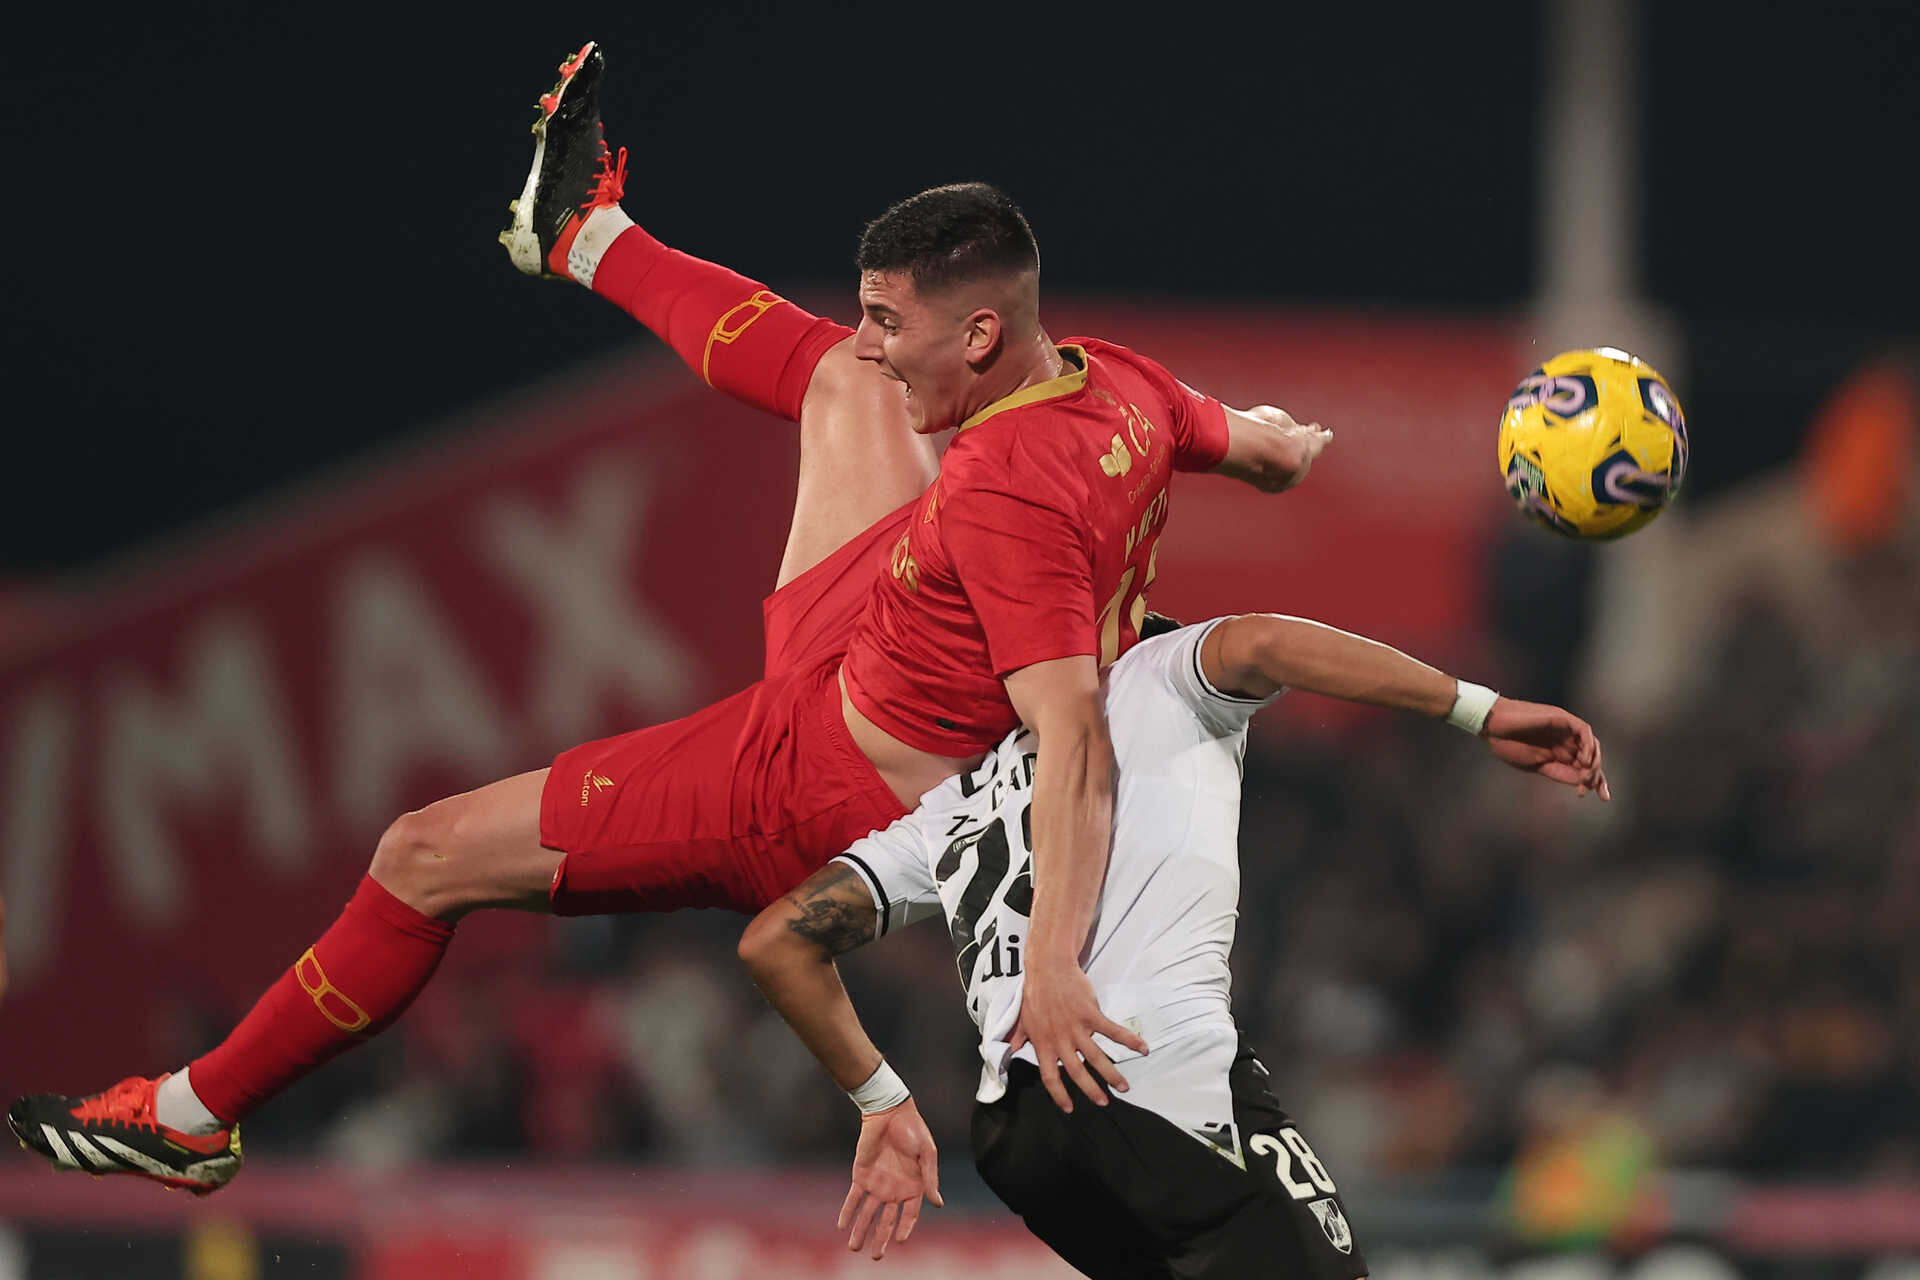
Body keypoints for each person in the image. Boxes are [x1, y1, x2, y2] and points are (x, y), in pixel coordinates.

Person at [7, 42, 1327, 1192]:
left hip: (815, 788)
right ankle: (578, 230)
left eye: (894, 323)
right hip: (880, 631)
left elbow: (1073, 740)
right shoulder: (1124, 388)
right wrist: (1282, 440)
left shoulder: (1005, 497)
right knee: (836, 389)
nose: (873, 338)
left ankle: (194, 1117)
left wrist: (1052, 967)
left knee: (421, 857)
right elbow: (1253, 448)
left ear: (982, 335)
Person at [738, 610, 1609, 1274]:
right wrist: (1479, 710)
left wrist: (882, 1101)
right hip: (1143, 1076)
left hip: (1018, 1137)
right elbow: (1265, 639)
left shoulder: (951, 804)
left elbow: (775, 941)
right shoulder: (1156, 668)